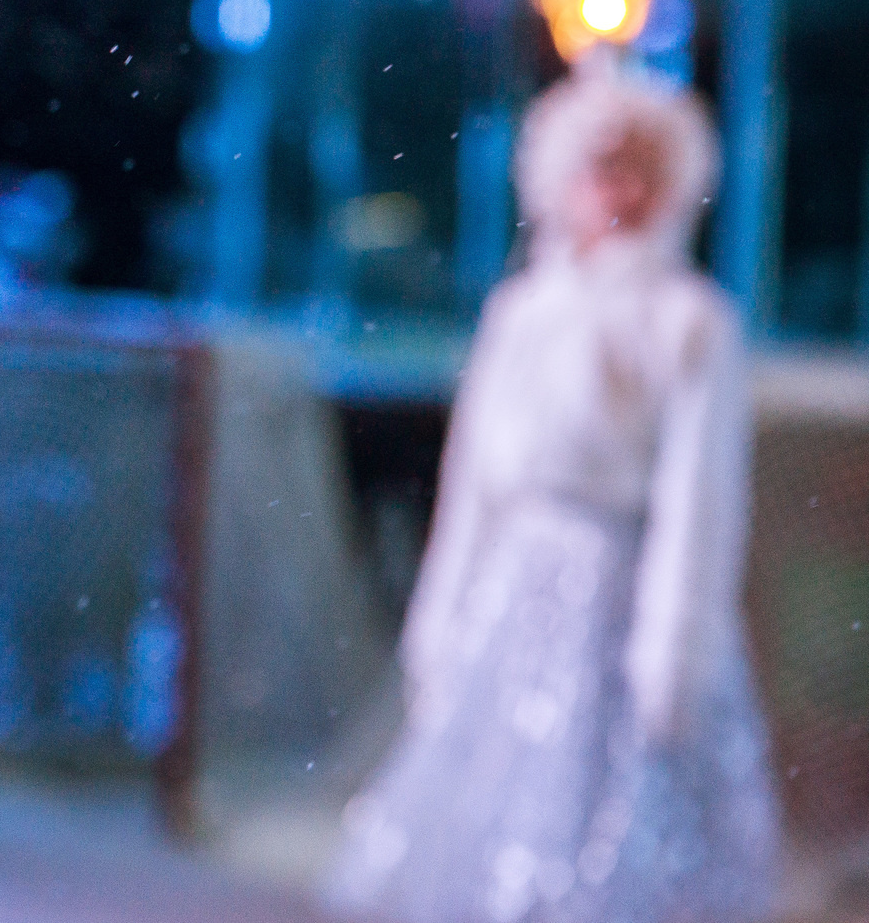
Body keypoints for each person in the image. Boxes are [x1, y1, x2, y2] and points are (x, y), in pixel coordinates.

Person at [323, 66, 780, 923]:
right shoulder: (522, 312)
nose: (621, 190)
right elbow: (473, 490)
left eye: (642, 168)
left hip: (623, 591)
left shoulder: (689, 321)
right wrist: (443, 617)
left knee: (613, 822)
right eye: (602, 166)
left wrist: (675, 651)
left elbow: (700, 503)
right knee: (490, 815)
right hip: (517, 590)